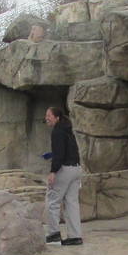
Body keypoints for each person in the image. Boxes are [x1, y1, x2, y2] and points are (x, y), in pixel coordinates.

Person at [41, 105, 84, 246]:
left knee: (53, 201)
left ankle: (53, 234)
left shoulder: (57, 132)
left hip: (64, 170)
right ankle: (75, 236)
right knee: (72, 203)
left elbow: (59, 154)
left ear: (57, 117)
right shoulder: (67, 130)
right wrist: (52, 155)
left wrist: (53, 171)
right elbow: (67, 150)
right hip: (76, 169)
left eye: (49, 116)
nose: (46, 118)